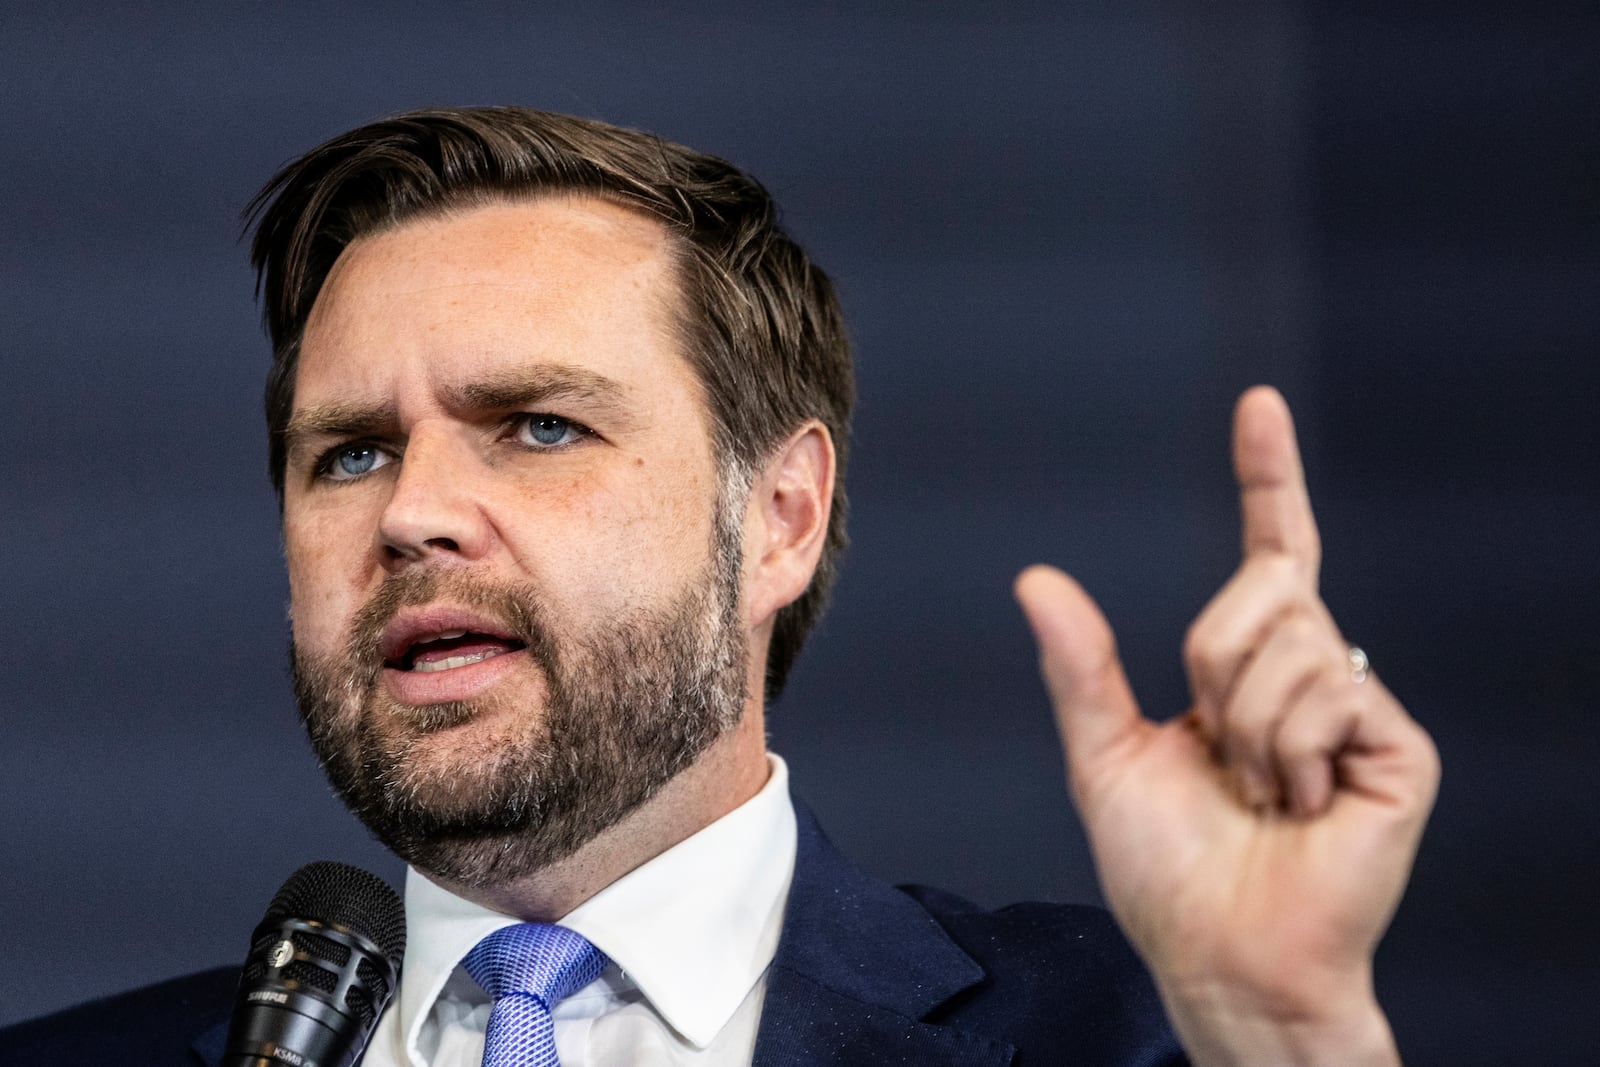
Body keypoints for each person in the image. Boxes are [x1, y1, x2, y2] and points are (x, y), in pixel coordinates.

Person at [0, 106, 1438, 1066]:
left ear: (784, 515)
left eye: (539, 426)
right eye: (351, 452)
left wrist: (1286, 1032)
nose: (414, 512)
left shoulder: (1142, 1033)